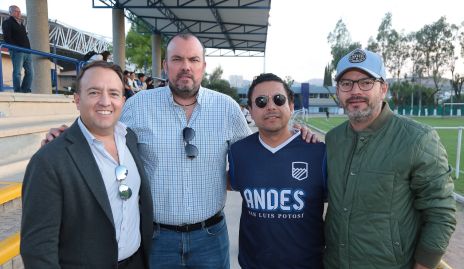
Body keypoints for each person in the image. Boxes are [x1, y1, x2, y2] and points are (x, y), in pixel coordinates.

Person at [40, 33, 317, 268]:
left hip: (211, 237)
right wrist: (68, 136)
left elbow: (256, 156)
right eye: (177, 59)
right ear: (165, 65)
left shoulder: (228, 109)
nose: (186, 66)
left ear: (203, 66)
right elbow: (100, 128)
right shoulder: (138, 106)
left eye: (193, 60)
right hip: (157, 238)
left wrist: (296, 134)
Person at [324, 48, 456, 269]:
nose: (355, 90)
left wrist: (425, 264)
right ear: (338, 91)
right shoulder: (333, 140)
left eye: (366, 82)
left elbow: (441, 211)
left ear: (383, 88)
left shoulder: (418, 139)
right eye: (346, 83)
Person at [21, 61, 153, 269]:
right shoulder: (49, 160)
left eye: (114, 93)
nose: (105, 101)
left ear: (123, 101)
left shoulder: (130, 139)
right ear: (77, 99)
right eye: (94, 92)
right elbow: (37, 248)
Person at [228, 73, 326, 268]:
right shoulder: (238, 152)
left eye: (278, 99)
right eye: (261, 101)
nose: (271, 106)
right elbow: (230, 182)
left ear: (291, 106)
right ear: (251, 110)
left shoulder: (318, 152)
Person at [2, 5, 33, 93]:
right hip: (17, 51)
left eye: (19, 11)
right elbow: (7, 37)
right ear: (10, 12)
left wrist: (29, 49)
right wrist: (15, 48)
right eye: (16, 11)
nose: (19, 13)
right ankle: (17, 90)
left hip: (27, 51)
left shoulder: (21, 24)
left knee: (30, 73)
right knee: (17, 72)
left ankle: (25, 89)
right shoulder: (7, 22)